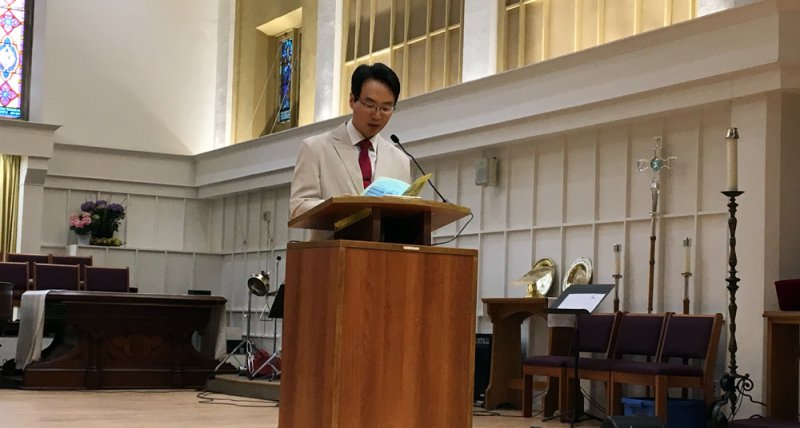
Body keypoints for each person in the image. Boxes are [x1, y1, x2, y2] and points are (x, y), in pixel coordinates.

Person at [289, 63, 411, 225]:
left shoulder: (400, 160)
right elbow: (298, 208)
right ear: (352, 100)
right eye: (370, 105)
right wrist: (340, 207)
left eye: (386, 108)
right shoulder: (315, 148)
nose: (377, 115)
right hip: (333, 241)